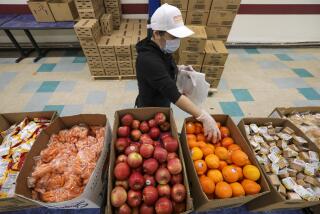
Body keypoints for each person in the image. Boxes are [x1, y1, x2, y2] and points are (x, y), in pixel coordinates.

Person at [135, 3, 221, 143]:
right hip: (151, 110)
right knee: (154, 140)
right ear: (156, 33)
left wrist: (179, 69)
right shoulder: (148, 59)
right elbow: (174, 95)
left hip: (162, 101)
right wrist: (203, 116)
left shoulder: (160, 47)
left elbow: (162, 67)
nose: (177, 41)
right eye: (174, 36)